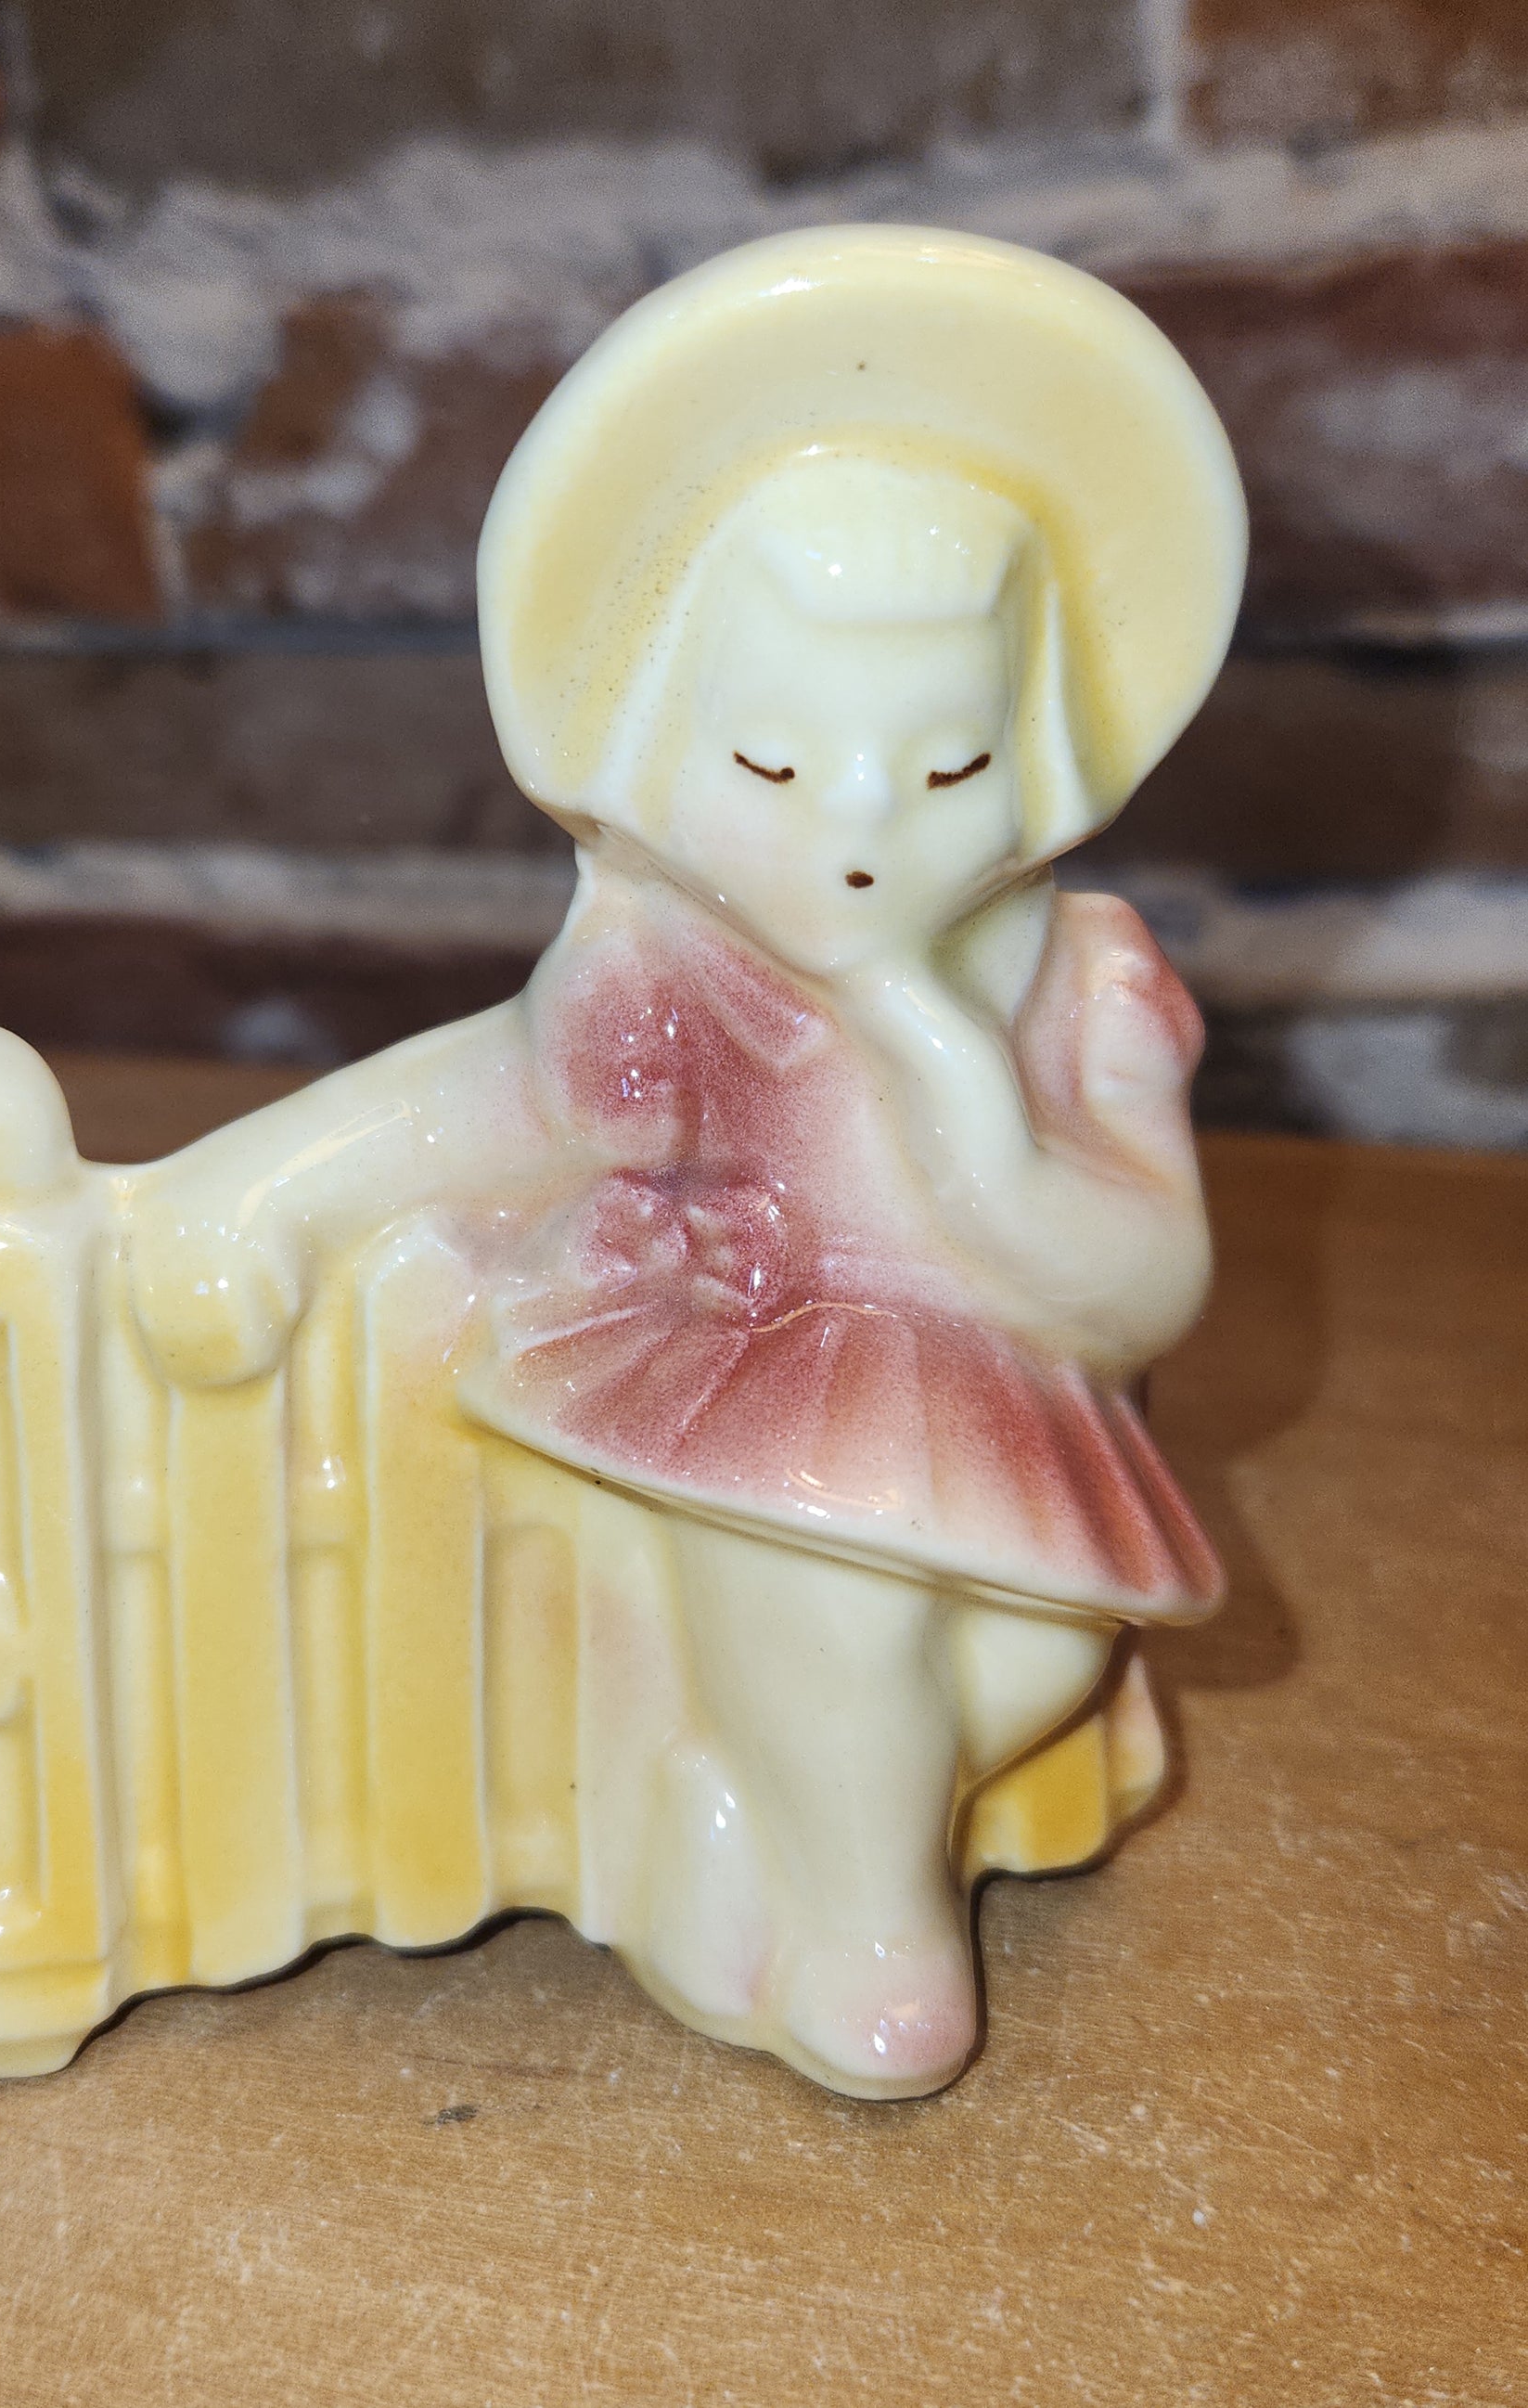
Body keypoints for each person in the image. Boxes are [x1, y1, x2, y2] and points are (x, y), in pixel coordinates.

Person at [124, 226, 1246, 2094]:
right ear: (660, 740)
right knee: (843, 1592)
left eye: (946, 773)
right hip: (759, 1368)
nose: (861, 835)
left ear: (1040, 750)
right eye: (774, 769)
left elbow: (1148, 1283)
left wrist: (974, 1118)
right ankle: (873, 1928)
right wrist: (264, 1190)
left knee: (1034, 1655)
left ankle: (752, 1813)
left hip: (1002, 1403)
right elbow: (500, 1099)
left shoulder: (1084, 978)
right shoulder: (679, 971)